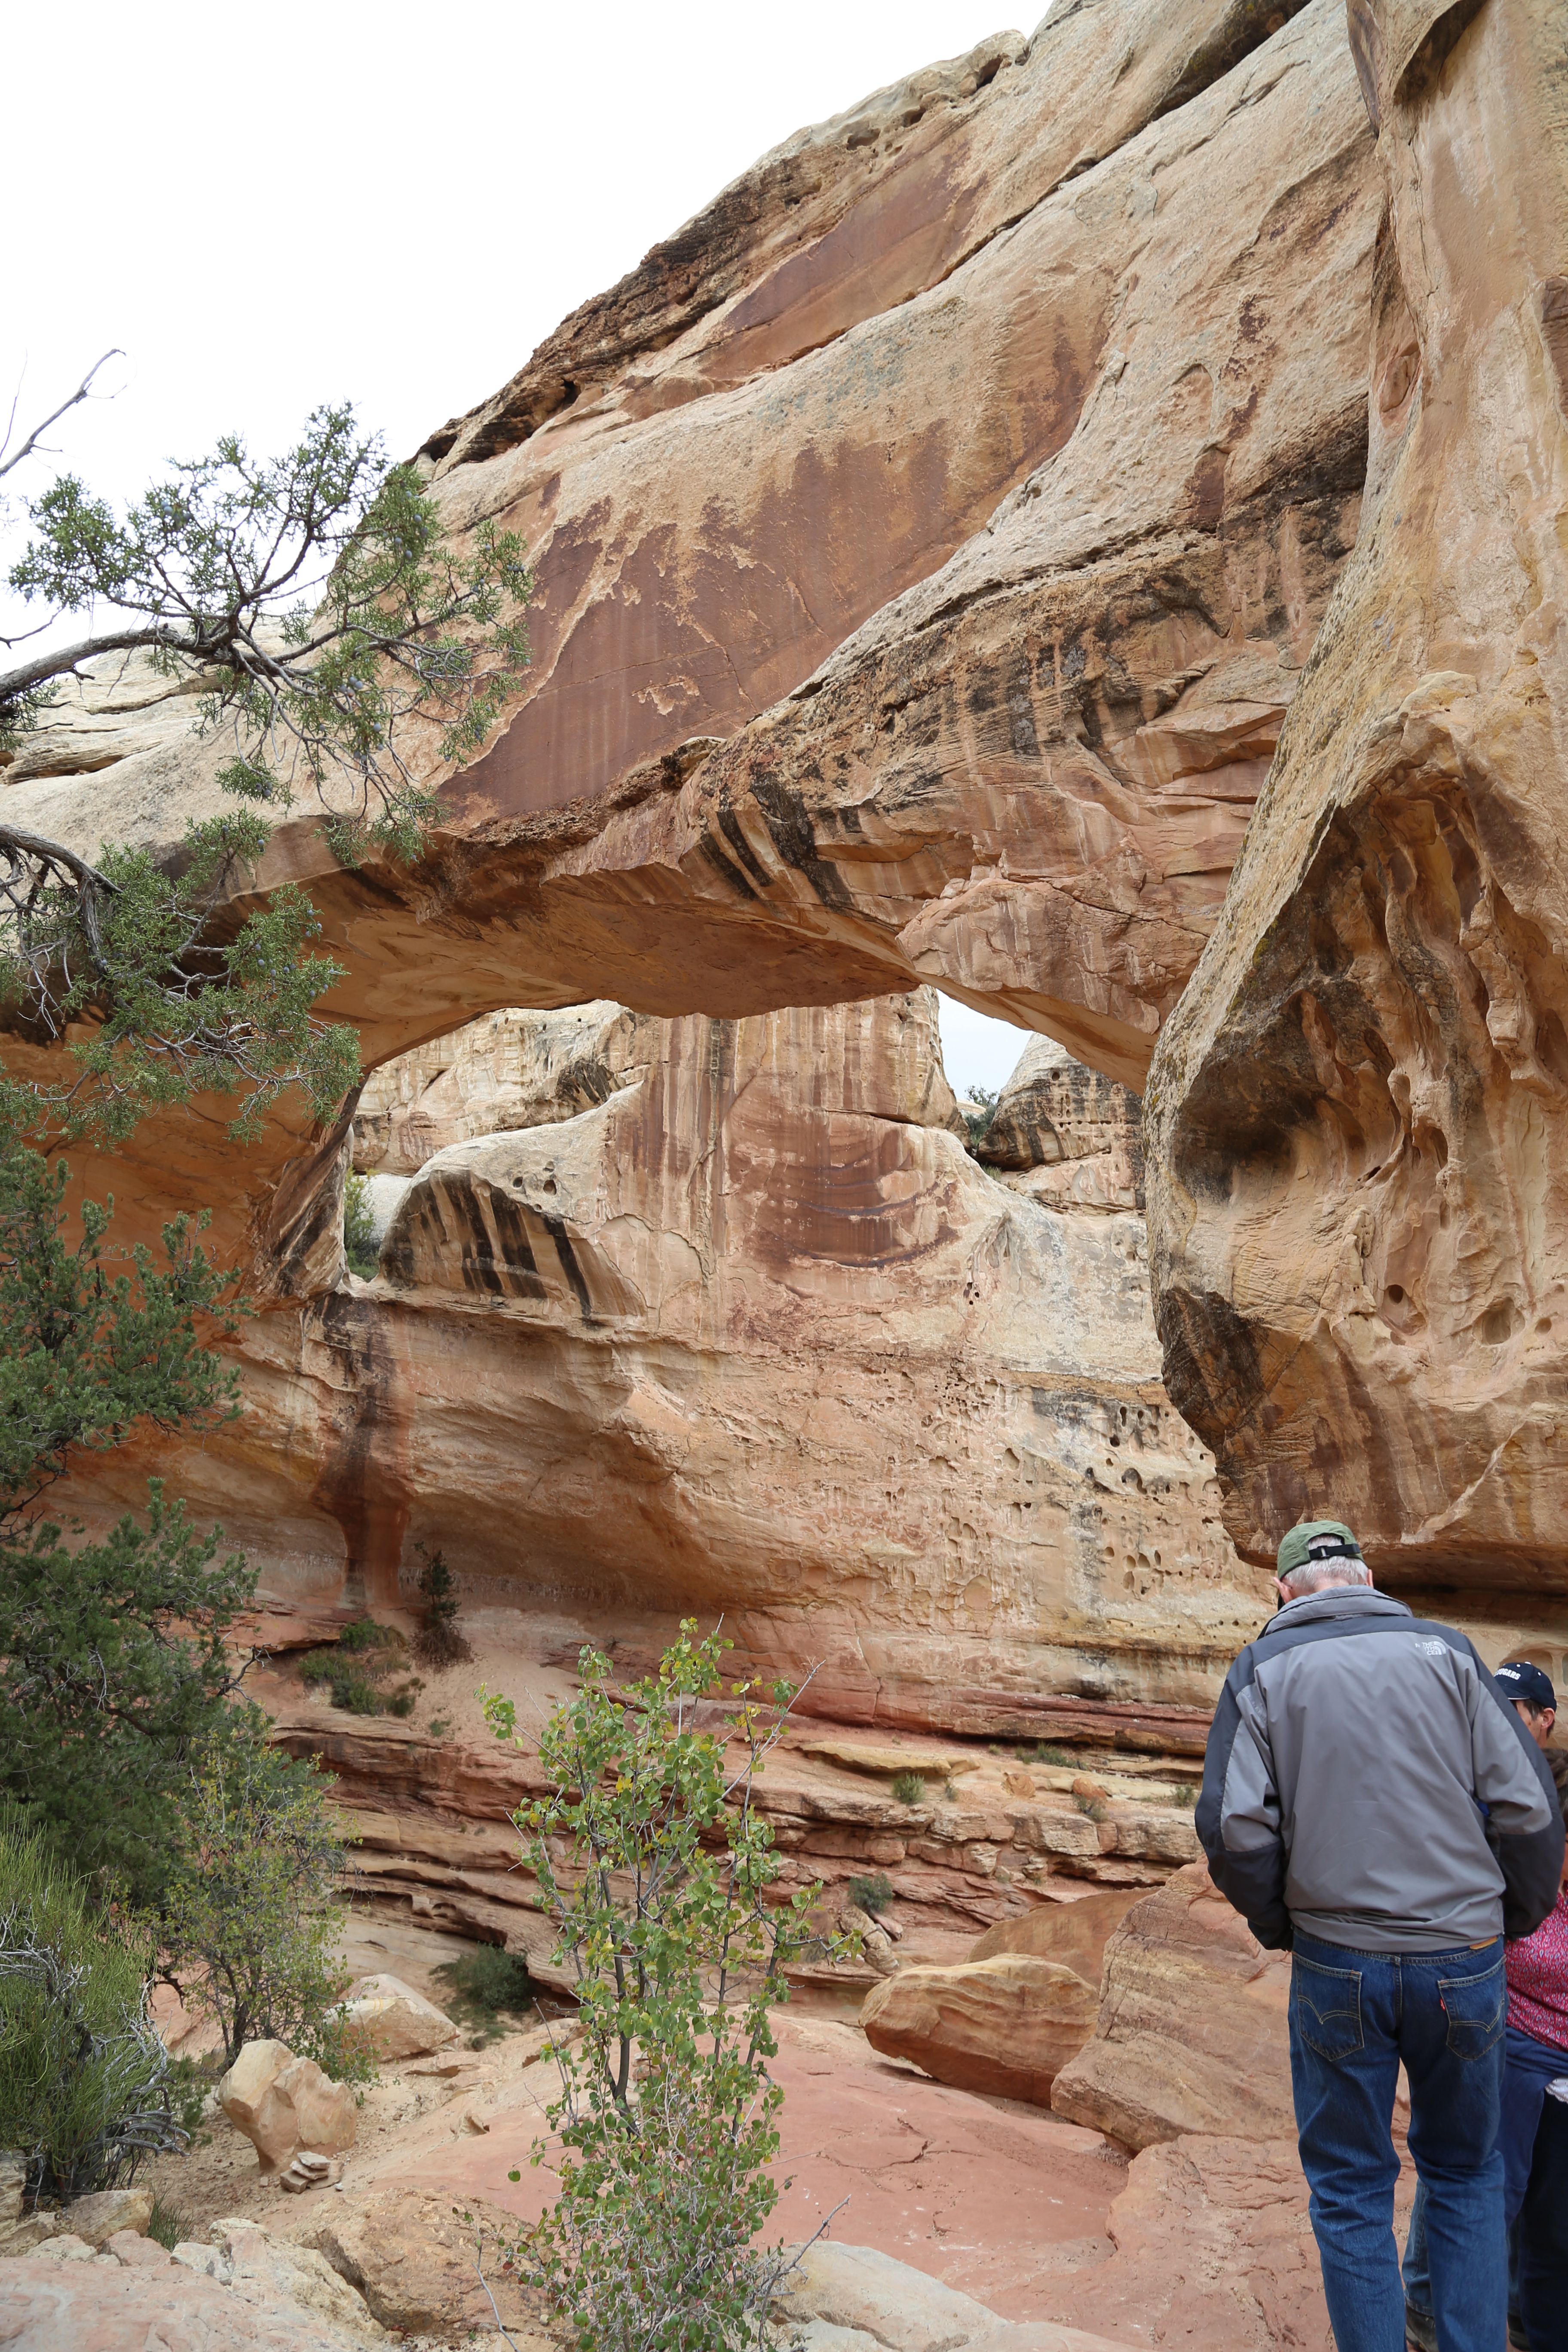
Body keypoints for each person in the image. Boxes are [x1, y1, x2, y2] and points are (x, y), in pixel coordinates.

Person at [1197, 1518, 1564, 2352]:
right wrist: (1504, 1923)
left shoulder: (1263, 1666)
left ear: (1281, 1592)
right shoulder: (1449, 1653)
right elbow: (1530, 1810)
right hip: (1464, 1961)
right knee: (1468, 2175)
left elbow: (1236, 1830)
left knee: (1353, 2189)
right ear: (1368, 1580)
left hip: (1341, 1962)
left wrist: (1281, 1922)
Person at [1403, 1662, 1565, 2351]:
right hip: (1507, 2037)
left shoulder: (1535, 1792)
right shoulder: (1488, 1805)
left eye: (1515, 1708)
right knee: (1476, 2190)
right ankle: (1429, 2311)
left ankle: (1524, 2322)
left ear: (1544, 1717)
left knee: (1545, 2218)